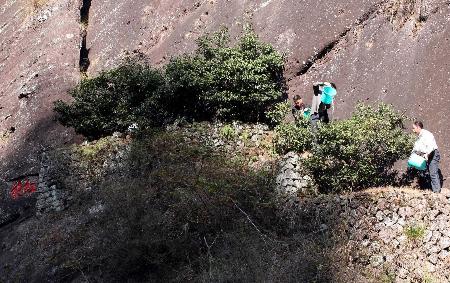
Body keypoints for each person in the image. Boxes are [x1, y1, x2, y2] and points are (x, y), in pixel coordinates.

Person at [412, 121, 441, 193]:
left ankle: (437, 192)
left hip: (433, 154)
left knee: (433, 173)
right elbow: (417, 147)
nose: (413, 130)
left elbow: (430, 147)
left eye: (414, 128)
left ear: (418, 127)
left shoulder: (426, 134)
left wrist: (426, 155)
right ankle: (434, 190)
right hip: (427, 155)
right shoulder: (420, 136)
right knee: (429, 172)